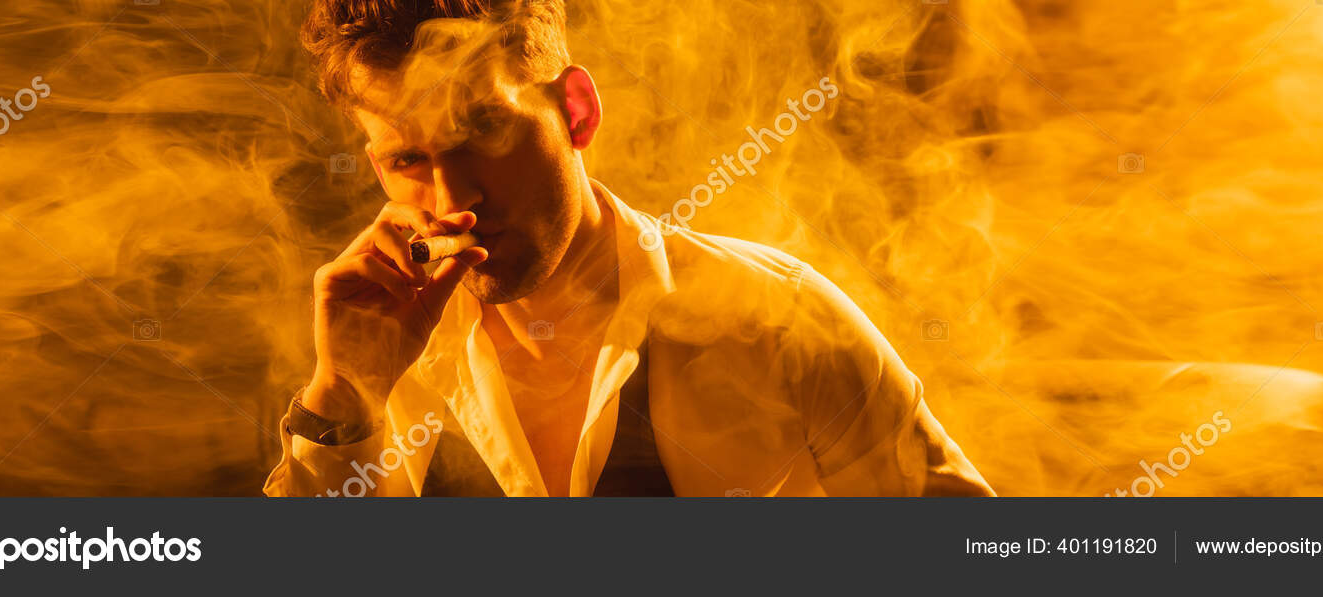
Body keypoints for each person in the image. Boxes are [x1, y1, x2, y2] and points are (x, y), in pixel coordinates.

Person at [264, 0, 993, 497]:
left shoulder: (784, 321)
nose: (455, 200)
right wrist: (342, 398)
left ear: (576, 111)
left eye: (484, 129)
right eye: (409, 160)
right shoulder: (383, 365)